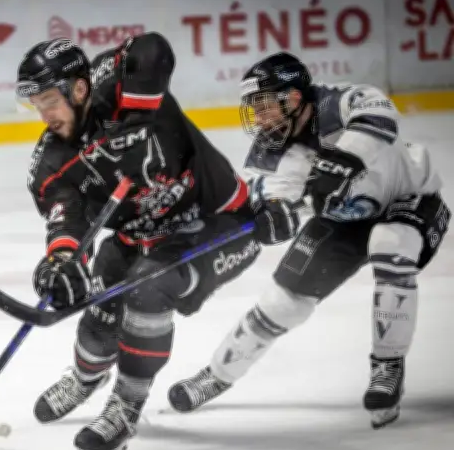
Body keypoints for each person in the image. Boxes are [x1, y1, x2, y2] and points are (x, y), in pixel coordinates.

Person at [16, 34, 296, 450]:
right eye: (36, 105)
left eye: (50, 100)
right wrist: (62, 260)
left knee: (146, 287)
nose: (45, 114)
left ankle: (126, 405)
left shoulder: (114, 85)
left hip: (218, 221)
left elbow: (150, 49)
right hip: (141, 234)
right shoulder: (53, 160)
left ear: (79, 88)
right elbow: (66, 218)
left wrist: (137, 115)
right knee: (106, 283)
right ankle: (86, 375)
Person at [167, 52, 449, 429]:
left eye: (265, 106)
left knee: (389, 242)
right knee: (283, 301)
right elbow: (279, 199)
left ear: (295, 98)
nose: (260, 117)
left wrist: (341, 160)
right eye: (255, 108)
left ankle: (387, 367)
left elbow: (381, 118)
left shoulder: (344, 101)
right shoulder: (274, 150)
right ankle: (218, 374)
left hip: (411, 201)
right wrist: (273, 216)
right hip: (346, 220)